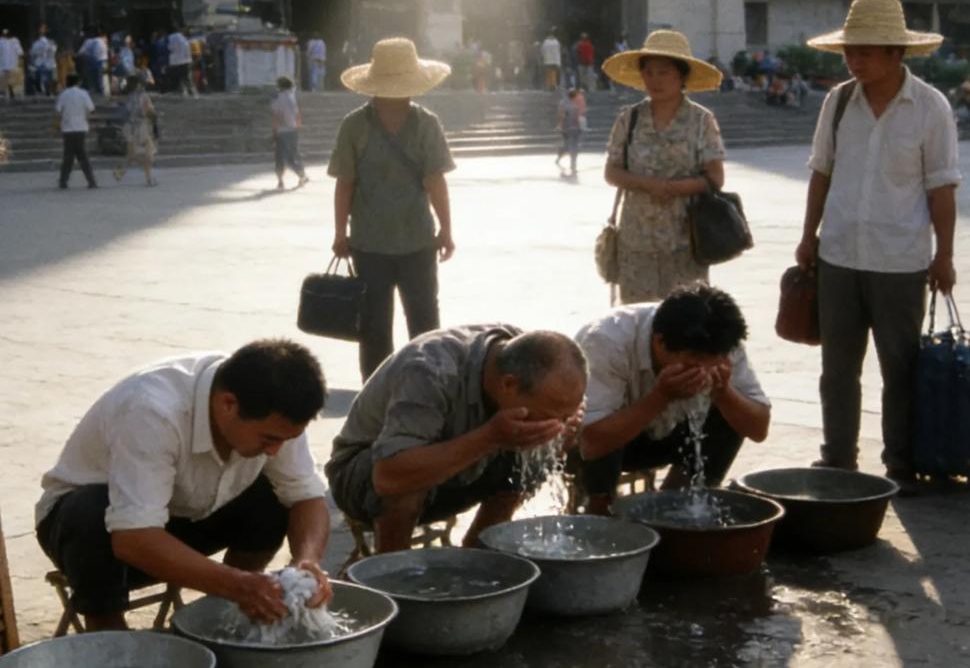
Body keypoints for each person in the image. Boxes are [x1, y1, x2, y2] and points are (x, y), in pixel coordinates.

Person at [35, 341, 333, 630]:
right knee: (90, 511)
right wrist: (233, 583)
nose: (273, 450)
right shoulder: (152, 409)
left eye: (285, 440)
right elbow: (133, 537)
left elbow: (306, 496)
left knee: (271, 498)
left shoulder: (274, 410)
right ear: (228, 404)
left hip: (181, 518)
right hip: (96, 537)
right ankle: (109, 637)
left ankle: (231, 615)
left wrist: (306, 561)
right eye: (268, 439)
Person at [795, 0, 960, 491]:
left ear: (895, 53)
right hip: (839, 253)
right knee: (837, 368)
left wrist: (944, 254)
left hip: (900, 259)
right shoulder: (839, 101)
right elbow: (821, 172)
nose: (854, 60)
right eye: (850, 51)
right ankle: (838, 456)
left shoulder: (930, 107)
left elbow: (943, 188)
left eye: (865, 51)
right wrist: (808, 236)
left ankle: (901, 462)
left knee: (900, 369)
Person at [326, 327, 587, 553]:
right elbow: (388, 476)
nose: (558, 424)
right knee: (408, 482)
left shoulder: (526, 356)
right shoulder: (428, 370)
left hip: (456, 467)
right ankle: (392, 579)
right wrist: (489, 438)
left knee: (529, 452)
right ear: (508, 385)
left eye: (567, 415)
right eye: (554, 415)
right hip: (363, 472)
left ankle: (478, 558)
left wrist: (564, 434)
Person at [576, 284, 770, 514]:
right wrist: (661, 397)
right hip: (599, 447)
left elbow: (759, 429)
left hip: (671, 435)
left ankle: (678, 505)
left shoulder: (723, 344)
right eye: (694, 359)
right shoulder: (605, 340)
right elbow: (591, 443)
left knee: (733, 411)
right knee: (604, 423)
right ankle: (598, 515)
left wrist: (724, 392)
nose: (705, 368)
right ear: (659, 343)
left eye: (713, 359)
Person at [329, 38, 456, 380]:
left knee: (378, 328)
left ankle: (378, 392)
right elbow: (435, 183)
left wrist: (341, 233)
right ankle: (426, 388)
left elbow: (345, 184)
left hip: (381, 242)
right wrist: (445, 230)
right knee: (423, 322)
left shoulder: (357, 125)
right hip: (401, 241)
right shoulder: (419, 122)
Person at [601, 30, 726, 304]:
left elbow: (715, 177)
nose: (655, 80)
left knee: (686, 325)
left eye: (664, 72)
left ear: (681, 76)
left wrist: (672, 188)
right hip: (635, 245)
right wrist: (649, 185)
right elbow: (611, 171)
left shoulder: (701, 121)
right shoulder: (629, 119)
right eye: (649, 72)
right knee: (638, 323)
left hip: (685, 243)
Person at [111, 75, 158, 187]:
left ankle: (120, 171)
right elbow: (149, 111)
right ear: (139, 85)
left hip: (129, 126)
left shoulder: (129, 97)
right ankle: (149, 178)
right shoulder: (144, 96)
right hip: (141, 126)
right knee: (149, 152)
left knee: (131, 154)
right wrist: (155, 124)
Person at [54, 72, 98, 190]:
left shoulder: (63, 95)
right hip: (81, 127)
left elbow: (58, 111)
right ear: (78, 82)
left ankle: (63, 180)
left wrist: (57, 125)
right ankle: (91, 180)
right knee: (82, 155)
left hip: (68, 128)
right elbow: (92, 109)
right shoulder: (83, 94)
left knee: (68, 156)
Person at [272, 76, 308, 189]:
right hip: (293, 130)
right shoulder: (292, 97)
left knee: (281, 156)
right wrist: (297, 126)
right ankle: (301, 174)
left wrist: (274, 130)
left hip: (283, 131)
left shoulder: (279, 98)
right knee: (293, 153)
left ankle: (281, 180)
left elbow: (276, 116)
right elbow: (297, 115)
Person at [555, 85, 587, 176]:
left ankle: (573, 165)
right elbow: (562, 115)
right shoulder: (566, 103)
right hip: (568, 129)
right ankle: (566, 161)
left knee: (572, 147)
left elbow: (578, 115)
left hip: (572, 128)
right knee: (570, 147)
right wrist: (561, 126)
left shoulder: (572, 103)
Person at [167, 25, 195, 98]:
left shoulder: (171, 37)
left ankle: (183, 91)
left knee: (180, 76)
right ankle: (191, 91)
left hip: (176, 61)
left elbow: (169, 48)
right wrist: (190, 59)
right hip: (185, 60)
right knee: (187, 76)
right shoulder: (183, 39)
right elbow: (187, 50)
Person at [29, 24, 56, 96]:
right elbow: (53, 51)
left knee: (45, 78)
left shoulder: (38, 43)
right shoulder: (38, 43)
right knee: (45, 78)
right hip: (45, 63)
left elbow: (33, 53)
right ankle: (46, 90)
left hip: (44, 63)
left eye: (43, 29)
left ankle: (47, 90)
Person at [0, 29, 21, 100]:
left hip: (10, 64)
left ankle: (10, 92)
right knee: (5, 78)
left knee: (9, 79)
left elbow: (19, 52)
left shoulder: (14, 41)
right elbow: (20, 52)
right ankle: (5, 92)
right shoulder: (1, 41)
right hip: (4, 64)